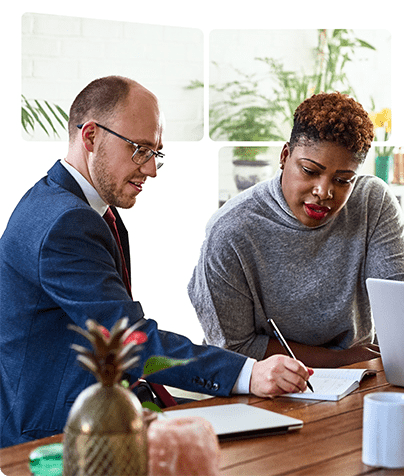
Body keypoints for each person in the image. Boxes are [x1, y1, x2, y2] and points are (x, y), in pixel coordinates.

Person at [0, 76, 310, 448]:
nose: (151, 169)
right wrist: (248, 373)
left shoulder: (60, 203)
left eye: (155, 152)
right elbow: (129, 340)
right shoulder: (67, 222)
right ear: (91, 137)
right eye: (140, 150)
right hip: (52, 436)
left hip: (88, 411)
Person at [188, 92, 404, 369]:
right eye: (309, 171)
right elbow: (234, 346)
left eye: (343, 180)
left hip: (358, 376)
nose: (324, 192)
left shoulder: (372, 202)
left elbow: (400, 308)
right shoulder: (231, 230)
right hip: (262, 384)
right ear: (285, 156)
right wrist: (340, 359)